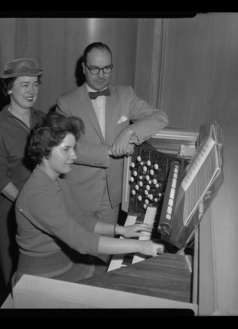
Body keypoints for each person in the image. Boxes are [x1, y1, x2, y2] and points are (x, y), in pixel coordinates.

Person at [13, 112, 164, 285]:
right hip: (41, 276)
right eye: (66, 150)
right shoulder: (37, 195)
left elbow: (81, 219)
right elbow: (82, 242)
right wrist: (140, 246)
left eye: (74, 148)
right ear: (44, 152)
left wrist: (120, 230)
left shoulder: (55, 179)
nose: (74, 156)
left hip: (64, 262)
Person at [55, 42, 168, 262]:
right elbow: (66, 147)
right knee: (80, 256)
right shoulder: (66, 102)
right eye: (95, 69)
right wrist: (110, 151)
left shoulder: (126, 95)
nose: (101, 75)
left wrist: (130, 133)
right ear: (83, 68)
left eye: (107, 68)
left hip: (112, 194)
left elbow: (160, 117)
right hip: (79, 193)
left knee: (105, 257)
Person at [0, 58, 46, 292]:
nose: (31, 91)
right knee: (17, 280)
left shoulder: (43, 120)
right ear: (9, 88)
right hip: (14, 210)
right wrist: (28, 206)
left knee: (43, 278)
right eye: (24, 84)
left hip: (45, 205)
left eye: (35, 84)